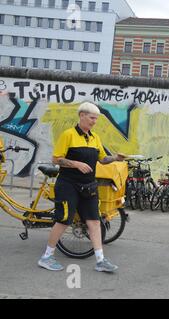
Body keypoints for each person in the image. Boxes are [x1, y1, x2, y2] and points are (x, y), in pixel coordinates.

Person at [38, 102, 125, 273]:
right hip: (68, 184)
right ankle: (46, 257)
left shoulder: (95, 137)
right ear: (82, 115)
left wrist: (115, 157)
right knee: (64, 220)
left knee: (94, 221)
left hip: (89, 185)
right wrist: (76, 163)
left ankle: (100, 260)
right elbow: (57, 159)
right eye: (92, 118)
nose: (94, 122)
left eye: (96, 119)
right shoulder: (68, 135)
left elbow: (102, 159)